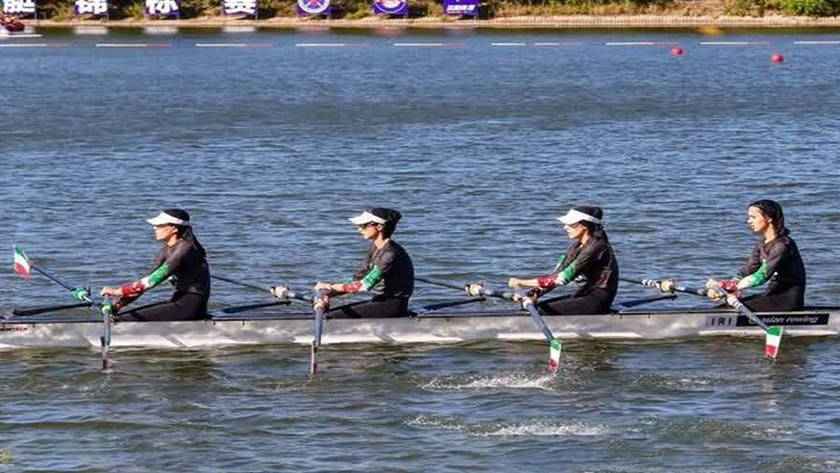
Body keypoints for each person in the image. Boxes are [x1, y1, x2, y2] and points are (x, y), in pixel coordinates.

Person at [297, 207, 414, 318]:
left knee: (329, 317)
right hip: (379, 300)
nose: (359, 229)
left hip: (392, 305)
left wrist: (330, 287)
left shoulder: (390, 254)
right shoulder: (374, 247)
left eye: (363, 226)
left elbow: (364, 285)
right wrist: (330, 293)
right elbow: (358, 278)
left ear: (379, 227)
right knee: (330, 313)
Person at [504, 205, 619, 315]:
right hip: (584, 294)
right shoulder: (576, 247)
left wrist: (522, 282)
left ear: (583, 225)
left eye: (569, 224)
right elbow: (556, 275)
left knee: (539, 310)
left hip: (598, 299)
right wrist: (534, 294)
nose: (565, 227)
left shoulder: (596, 247)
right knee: (533, 307)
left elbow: (562, 278)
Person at [99, 209, 211, 321]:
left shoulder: (185, 248)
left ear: (174, 228)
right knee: (120, 316)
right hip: (178, 300)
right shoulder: (165, 250)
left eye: (160, 226)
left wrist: (117, 291)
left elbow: (154, 280)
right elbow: (146, 281)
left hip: (191, 305)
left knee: (120, 320)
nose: (155, 228)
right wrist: (118, 304)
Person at [706, 200, 806, 312]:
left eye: (753, 217)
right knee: (722, 308)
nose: (749, 221)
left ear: (768, 218)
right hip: (771, 295)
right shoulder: (762, 244)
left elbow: (761, 277)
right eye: (749, 217)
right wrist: (729, 289)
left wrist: (724, 285)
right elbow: (747, 271)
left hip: (787, 300)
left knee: (726, 311)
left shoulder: (782, 245)